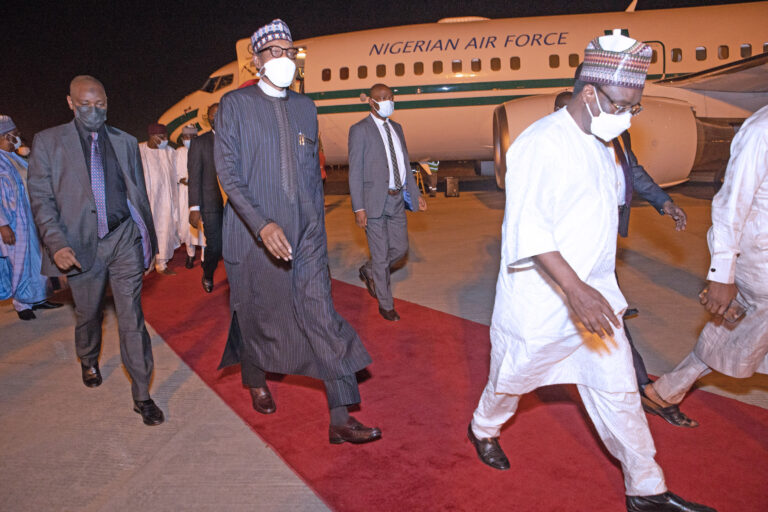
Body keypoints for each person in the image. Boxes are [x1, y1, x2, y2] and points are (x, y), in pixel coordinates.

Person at [468, 32, 714, 512]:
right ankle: (483, 428)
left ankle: (647, 490)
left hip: (594, 301)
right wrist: (574, 290)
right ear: (588, 93)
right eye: (623, 104)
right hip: (542, 302)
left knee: (620, 390)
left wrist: (591, 290)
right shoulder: (540, 145)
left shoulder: (603, 142)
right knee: (509, 380)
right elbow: (530, 230)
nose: (628, 115)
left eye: (634, 107)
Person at [215, 19, 380, 444]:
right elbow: (228, 175)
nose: (285, 59)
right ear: (256, 61)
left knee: (320, 315)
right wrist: (262, 223)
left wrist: (315, 235)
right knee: (256, 317)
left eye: (290, 52)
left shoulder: (306, 108)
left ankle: (341, 417)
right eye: (275, 52)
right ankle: (255, 378)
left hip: (305, 237)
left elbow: (310, 177)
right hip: (253, 239)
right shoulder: (235, 104)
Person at [27, 75, 163, 426]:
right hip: (79, 246)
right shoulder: (48, 142)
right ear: (71, 103)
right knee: (88, 314)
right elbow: (41, 200)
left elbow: (139, 196)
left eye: (99, 104)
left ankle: (142, 394)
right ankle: (87, 357)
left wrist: (148, 241)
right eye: (85, 105)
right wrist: (55, 244)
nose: (93, 110)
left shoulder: (124, 142)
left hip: (122, 239)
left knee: (132, 316)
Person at [555, 90, 696, 428]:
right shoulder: (555, 146)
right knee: (560, 325)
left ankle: (638, 386)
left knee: (610, 316)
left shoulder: (614, 132)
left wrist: (664, 202)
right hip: (571, 245)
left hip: (603, 239)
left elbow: (632, 171)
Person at [644, 104, 768, 424]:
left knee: (735, 328)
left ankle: (666, 391)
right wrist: (722, 275)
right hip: (760, 261)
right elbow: (731, 205)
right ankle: (666, 391)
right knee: (737, 327)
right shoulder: (761, 130)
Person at [348, 83, 426, 321]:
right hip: (372, 203)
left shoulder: (397, 128)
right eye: (381, 98)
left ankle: (370, 271)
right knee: (381, 254)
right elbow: (355, 171)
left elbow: (404, 164)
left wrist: (416, 194)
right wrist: (358, 207)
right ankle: (386, 304)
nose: (386, 101)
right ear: (371, 102)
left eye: (390, 97)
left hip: (396, 199)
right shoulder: (359, 130)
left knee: (400, 249)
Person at [0, 115, 61, 320]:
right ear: (6, 136)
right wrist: (3, 225)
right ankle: (21, 304)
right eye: (15, 135)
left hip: (30, 218)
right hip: (12, 223)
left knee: (37, 261)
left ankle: (39, 297)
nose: (19, 138)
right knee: (19, 263)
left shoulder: (16, 158)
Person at [188, 103, 223, 293]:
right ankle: (208, 273)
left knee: (235, 246)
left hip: (235, 205)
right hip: (211, 204)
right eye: (212, 115)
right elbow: (194, 177)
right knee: (215, 247)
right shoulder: (199, 143)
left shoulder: (237, 138)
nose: (215, 117)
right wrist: (194, 207)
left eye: (219, 113)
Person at [139, 123, 179, 275]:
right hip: (146, 200)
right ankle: (147, 263)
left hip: (166, 200)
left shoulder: (170, 152)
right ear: (152, 137)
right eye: (161, 137)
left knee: (164, 229)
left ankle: (161, 264)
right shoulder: (139, 150)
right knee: (146, 231)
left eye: (166, 136)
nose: (165, 140)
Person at [175, 124, 204, 269]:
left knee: (202, 225)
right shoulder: (178, 152)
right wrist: (184, 179)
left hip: (201, 192)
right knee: (186, 225)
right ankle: (190, 254)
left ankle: (205, 256)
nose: (189, 140)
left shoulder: (203, 150)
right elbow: (175, 174)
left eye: (192, 137)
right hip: (184, 193)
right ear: (182, 139)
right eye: (186, 137)